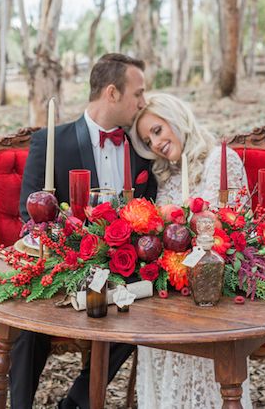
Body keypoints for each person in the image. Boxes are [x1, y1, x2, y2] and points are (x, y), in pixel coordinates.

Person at [14, 53, 158, 409]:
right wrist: (74, 242)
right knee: (27, 326)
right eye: (137, 93)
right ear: (112, 92)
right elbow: (28, 216)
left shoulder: (141, 149)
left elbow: (150, 211)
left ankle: (76, 402)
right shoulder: (51, 142)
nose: (143, 102)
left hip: (123, 270)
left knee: (141, 311)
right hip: (65, 266)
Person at [129, 93, 253, 409]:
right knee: (155, 321)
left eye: (157, 130)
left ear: (176, 117)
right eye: (147, 139)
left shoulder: (219, 160)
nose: (155, 143)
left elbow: (223, 225)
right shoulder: (166, 176)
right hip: (174, 286)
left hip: (216, 283)